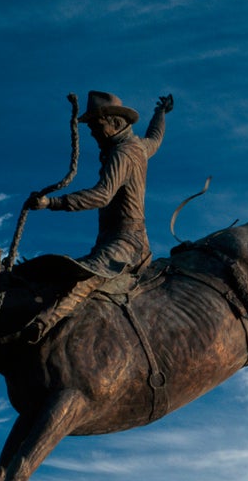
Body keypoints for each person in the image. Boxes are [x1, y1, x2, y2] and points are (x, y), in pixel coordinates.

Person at [25, 89, 173, 341]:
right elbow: (155, 137)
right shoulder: (138, 146)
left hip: (127, 243)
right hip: (119, 239)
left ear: (115, 123)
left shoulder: (123, 153)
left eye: (96, 125)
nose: (92, 132)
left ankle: (41, 325)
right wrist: (161, 113)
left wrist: (52, 202)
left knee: (84, 280)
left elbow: (102, 195)